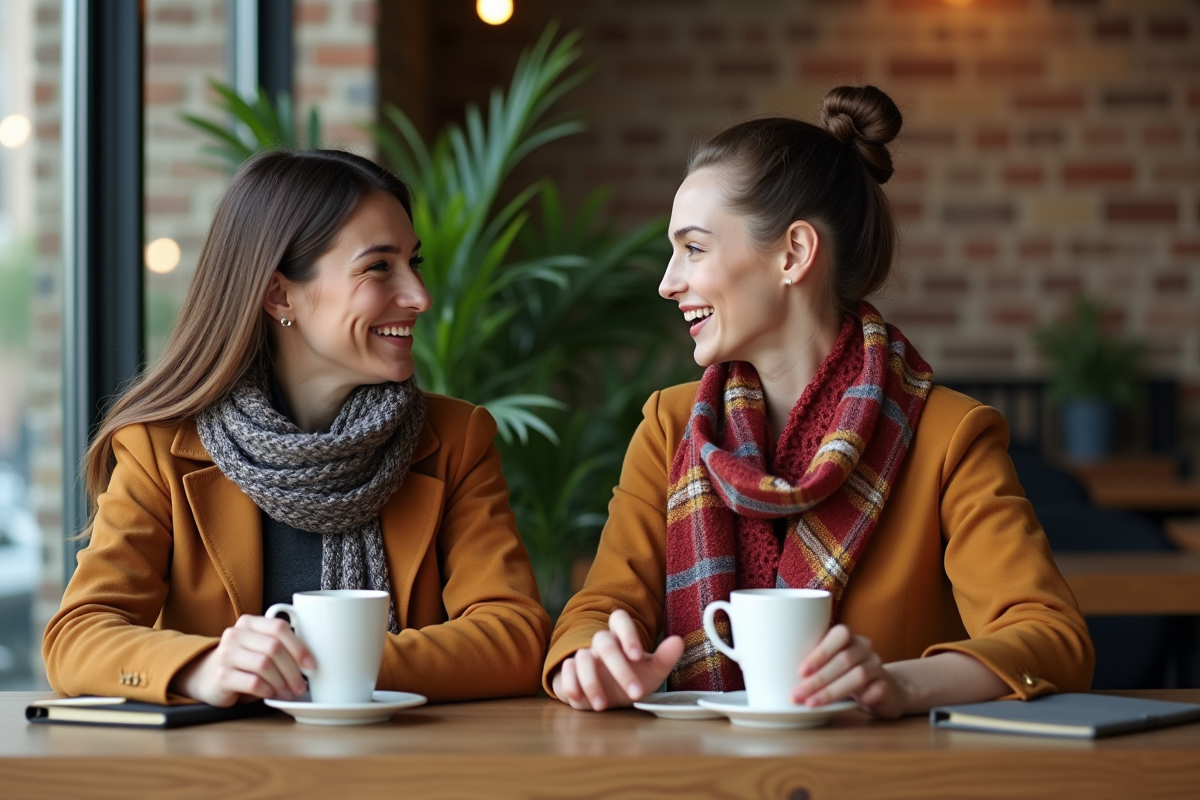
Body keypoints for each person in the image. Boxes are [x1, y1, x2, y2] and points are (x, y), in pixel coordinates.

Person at [545, 86, 1094, 718]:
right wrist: (590, 661)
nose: (668, 283)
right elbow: (593, 612)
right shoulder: (668, 428)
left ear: (794, 253)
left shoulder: (949, 435)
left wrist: (900, 684)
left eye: (693, 248)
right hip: (698, 777)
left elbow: (1053, 638)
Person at [43, 149, 551, 707]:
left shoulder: (455, 438)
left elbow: (517, 636)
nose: (419, 297)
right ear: (280, 293)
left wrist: (328, 666)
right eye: (379, 267)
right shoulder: (159, 449)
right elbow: (77, 637)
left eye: (414, 263)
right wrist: (203, 667)